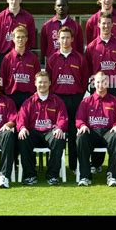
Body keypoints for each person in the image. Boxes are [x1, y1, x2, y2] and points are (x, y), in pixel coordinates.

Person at [85, 12, 116, 173]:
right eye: (103, 23)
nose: (105, 26)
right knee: (97, 123)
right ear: (98, 25)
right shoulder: (90, 47)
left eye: (108, 23)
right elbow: (88, 70)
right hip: (96, 88)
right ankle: (96, 164)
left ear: (112, 25)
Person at [46, 26, 88, 172]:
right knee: (57, 131)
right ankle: (57, 166)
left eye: (67, 37)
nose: (65, 40)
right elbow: (49, 81)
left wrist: (78, 96)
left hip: (75, 99)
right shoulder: (52, 59)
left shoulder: (80, 58)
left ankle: (74, 165)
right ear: (58, 39)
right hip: (57, 100)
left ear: (72, 39)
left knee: (74, 130)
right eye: (62, 37)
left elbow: (84, 81)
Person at [75, 71, 116, 187]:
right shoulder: (86, 101)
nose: (100, 84)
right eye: (98, 82)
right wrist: (82, 125)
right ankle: (85, 176)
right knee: (81, 138)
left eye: (103, 82)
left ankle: (112, 175)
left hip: (109, 132)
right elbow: (79, 119)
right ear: (94, 83)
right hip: (91, 132)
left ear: (107, 83)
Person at [17, 71, 68, 186]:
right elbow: (21, 118)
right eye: (40, 82)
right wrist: (22, 128)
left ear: (50, 83)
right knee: (23, 138)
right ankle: (30, 175)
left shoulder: (57, 101)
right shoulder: (28, 102)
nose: (42, 85)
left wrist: (60, 128)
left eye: (45, 82)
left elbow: (63, 118)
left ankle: (52, 176)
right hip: (34, 132)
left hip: (50, 132)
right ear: (35, 83)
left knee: (59, 139)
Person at [0, 0, 36, 70]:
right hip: (4, 55)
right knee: (2, 81)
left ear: (20, 0)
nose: (14, 2)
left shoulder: (28, 18)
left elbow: (31, 39)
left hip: (23, 55)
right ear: (7, 0)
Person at [0, 25, 41, 110]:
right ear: (13, 39)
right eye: (18, 37)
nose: (20, 39)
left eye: (23, 37)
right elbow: (2, 78)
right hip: (11, 96)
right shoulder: (7, 58)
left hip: (29, 96)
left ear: (26, 39)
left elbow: (38, 77)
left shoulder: (33, 58)